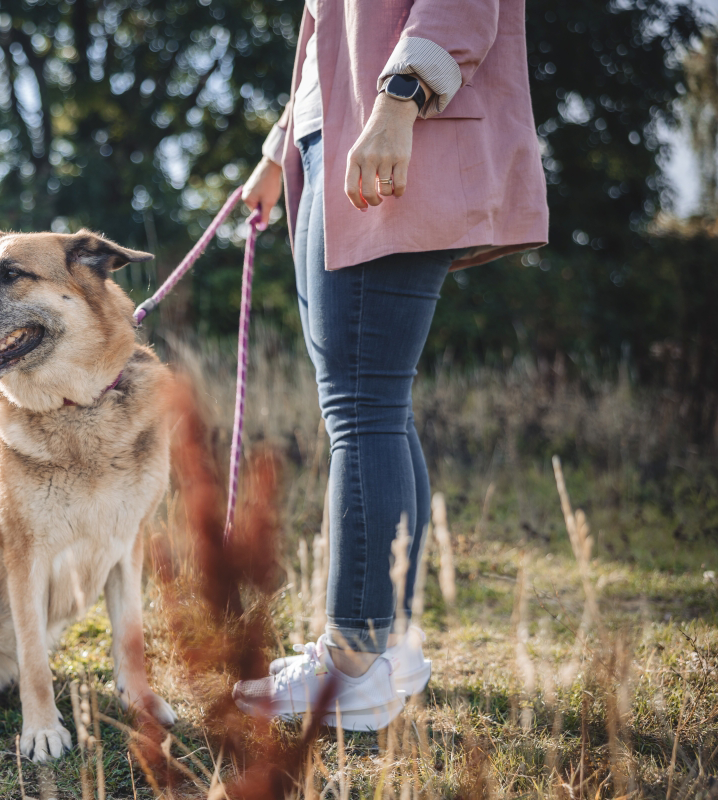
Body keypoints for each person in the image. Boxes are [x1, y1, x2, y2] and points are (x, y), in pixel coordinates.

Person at [231, 0, 548, 730]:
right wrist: (279, 150)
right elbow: (330, 37)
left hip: (392, 127)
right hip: (329, 135)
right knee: (374, 404)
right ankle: (386, 646)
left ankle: (354, 664)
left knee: (363, 407)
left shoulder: (397, 108)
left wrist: (400, 99)